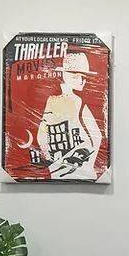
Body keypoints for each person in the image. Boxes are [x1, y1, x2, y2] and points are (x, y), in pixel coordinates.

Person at [36, 52, 103, 180]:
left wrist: (88, 164)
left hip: (69, 165)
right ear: (65, 75)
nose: (82, 81)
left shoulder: (74, 101)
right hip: (66, 165)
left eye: (84, 77)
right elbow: (41, 135)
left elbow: (97, 136)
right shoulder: (70, 101)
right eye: (77, 76)